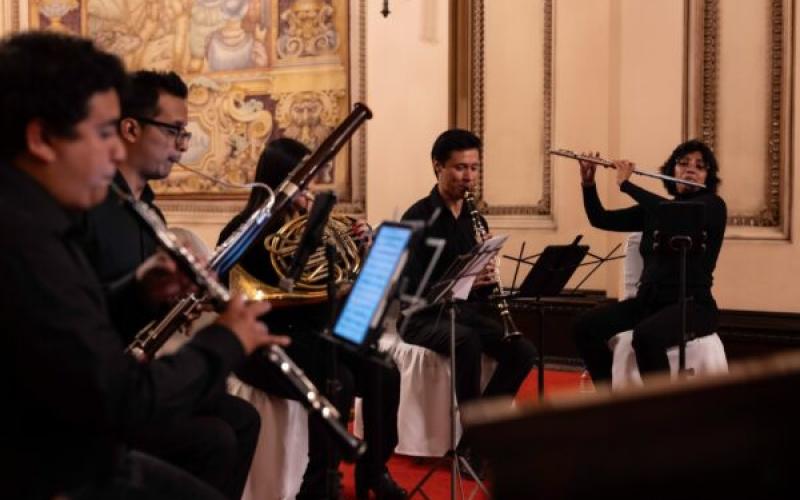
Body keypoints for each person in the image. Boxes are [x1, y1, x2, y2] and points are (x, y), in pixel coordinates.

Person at [0, 31, 288, 499]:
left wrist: (138, 292)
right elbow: (118, 400)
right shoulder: (24, 239)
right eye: (102, 133)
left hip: (68, 446)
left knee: (226, 432)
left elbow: (81, 328)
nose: (115, 152)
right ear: (41, 138)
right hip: (50, 469)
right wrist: (226, 340)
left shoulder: (37, 217)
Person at [79, 69, 261, 499]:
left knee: (242, 418)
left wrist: (180, 300)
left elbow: (144, 308)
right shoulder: (90, 210)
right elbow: (90, 311)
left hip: (136, 372)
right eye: (174, 131)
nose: (182, 145)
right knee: (214, 438)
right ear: (130, 128)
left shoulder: (151, 214)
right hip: (101, 390)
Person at [218, 138, 406, 500]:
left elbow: (333, 288)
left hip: (313, 335)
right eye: (301, 181)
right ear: (278, 180)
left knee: (384, 370)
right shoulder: (244, 230)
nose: (308, 190)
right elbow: (235, 293)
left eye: (308, 181)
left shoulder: (313, 225)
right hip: (263, 341)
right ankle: (317, 483)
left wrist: (360, 249)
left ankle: (374, 470)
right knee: (339, 378)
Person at [400, 129, 539, 467]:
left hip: (464, 312)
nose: (469, 177)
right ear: (438, 167)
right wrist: (465, 279)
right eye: (460, 168)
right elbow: (411, 288)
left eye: (474, 168)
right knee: (467, 342)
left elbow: (481, 291)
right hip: (422, 316)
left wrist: (487, 277)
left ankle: (474, 439)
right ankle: (475, 444)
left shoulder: (474, 217)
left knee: (523, 350)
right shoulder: (417, 218)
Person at [572, 140, 727, 384]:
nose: (690, 169)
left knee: (647, 336)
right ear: (671, 172)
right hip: (650, 302)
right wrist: (588, 184)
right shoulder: (655, 210)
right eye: (683, 163)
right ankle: (609, 398)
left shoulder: (712, 206)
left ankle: (659, 411)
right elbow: (600, 219)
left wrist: (626, 185)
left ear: (708, 177)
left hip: (693, 305)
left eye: (700, 166)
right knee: (585, 326)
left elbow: (674, 216)